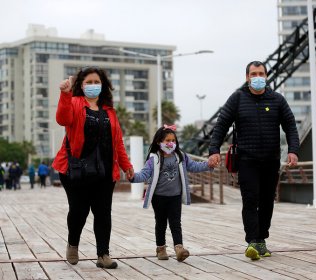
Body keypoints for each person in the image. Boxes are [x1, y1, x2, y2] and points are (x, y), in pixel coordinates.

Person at [208, 61, 299, 261]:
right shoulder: (237, 99)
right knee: (250, 200)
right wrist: (214, 150)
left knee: (267, 201)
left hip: (271, 160)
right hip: (247, 159)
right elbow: (221, 124)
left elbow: (290, 126)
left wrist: (293, 150)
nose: (257, 77)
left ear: (266, 76)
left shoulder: (277, 100)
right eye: (253, 74)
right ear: (247, 77)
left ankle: (261, 239)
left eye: (261, 73)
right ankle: (252, 241)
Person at [52, 66, 134, 269]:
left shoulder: (109, 111)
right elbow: (62, 119)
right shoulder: (74, 102)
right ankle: (73, 244)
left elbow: (118, 142)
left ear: (103, 85)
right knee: (79, 210)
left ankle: (103, 254)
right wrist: (64, 94)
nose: (93, 85)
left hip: (104, 171)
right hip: (76, 169)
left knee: (103, 212)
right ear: (81, 85)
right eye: (88, 82)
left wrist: (126, 165)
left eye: (96, 82)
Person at [130, 125, 213, 262]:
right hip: (158, 197)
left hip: (175, 196)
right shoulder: (154, 159)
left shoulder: (180, 156)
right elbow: (144, 174)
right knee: (161, 223)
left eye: (173, 140)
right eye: (167, 140)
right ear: (159, 142)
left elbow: (194, 166)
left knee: (175, 222)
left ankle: (179, 248)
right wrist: (133, 177)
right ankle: (161, 248)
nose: (170, 143)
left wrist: (208, 165)